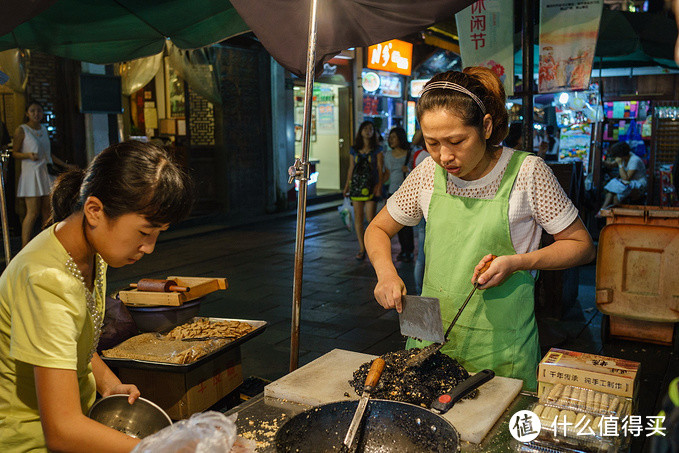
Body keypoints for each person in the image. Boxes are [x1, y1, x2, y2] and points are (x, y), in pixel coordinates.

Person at [365, 67, 595, 390]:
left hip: (501, 354)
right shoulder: (427, 173)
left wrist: (518, 262)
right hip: (428, 346)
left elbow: (581, 245)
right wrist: (386, 272)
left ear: (486, 127)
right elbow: (377, 229)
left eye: (456, 141)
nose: (444, 156)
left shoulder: (527, 173)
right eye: (431, 142)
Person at [0, 140, 194, 452]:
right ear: (94, 211)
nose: (149, 248)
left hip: (81, 416)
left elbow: (72, 339)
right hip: (29, 441)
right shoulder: (45, 281)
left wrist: (108, 383)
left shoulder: (90, 251)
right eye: (145, 232)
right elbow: (62, 431)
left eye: (159, 234)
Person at [13, 101, 75, 248]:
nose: (36, 114)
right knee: (32, 212)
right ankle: (24, 247)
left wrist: (66, 165)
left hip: (45, 173)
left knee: (48, 211)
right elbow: (14, 153)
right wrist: (27, 155)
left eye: (39, 111)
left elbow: (49, 155)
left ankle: (45, 244)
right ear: (27, 113)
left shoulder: (44, 129)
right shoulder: (22, 130)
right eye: (33, 111)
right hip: (31, 174)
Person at [343, 121, 384, 260]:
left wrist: (379, 185)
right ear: (360, 131)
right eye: (365, 129)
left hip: (371, 186)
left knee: (370, 219)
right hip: (356, 186)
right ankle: (362, 248)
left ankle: (372, 246)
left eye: (371, 129)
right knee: (358, 219)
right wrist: (346, 186)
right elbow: (351, 168)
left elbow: (380, 168)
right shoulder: (354, 150)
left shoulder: (377, 149)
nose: (368, 131)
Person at [383, 127, 414, 262]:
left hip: (406, 192)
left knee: (407, 224)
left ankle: (409, 250)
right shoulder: (388, 155)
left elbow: (415, 171)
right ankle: (403, 249)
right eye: (390, 137)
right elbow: (387, 174)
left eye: (394, 137)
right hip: (392, 191)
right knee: (397, 224)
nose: (391, 140)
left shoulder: (410, 153)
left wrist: (408, 169)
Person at [410, 130, 430, 295]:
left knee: (422, 256)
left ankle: (419, 292)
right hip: (426, 209)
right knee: (424, 255)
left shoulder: (418, 154)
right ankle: (420, 291)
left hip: (423, 208)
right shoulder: (423, 156)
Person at [600, 141, 647, 211]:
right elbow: (611, 165)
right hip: (627, 184)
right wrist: (601, 161)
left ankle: (611, 213)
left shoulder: (634, 160)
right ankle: (603, 209)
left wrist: (620, 164)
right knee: (611, 192)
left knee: (616, 196)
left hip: (638, 184)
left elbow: (626, 178)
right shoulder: (625, 157)